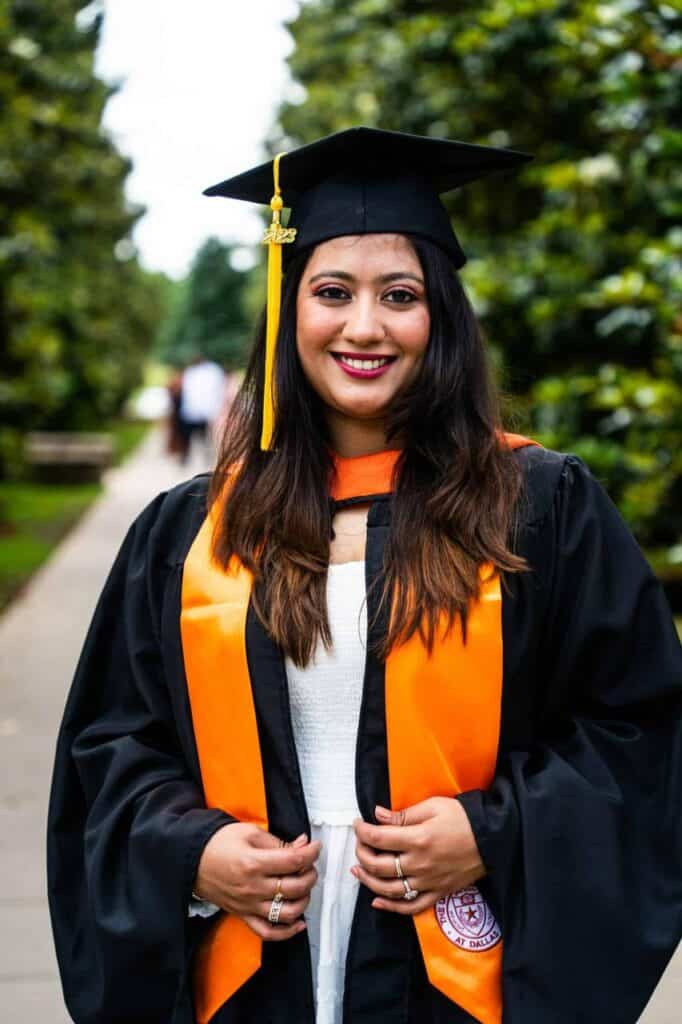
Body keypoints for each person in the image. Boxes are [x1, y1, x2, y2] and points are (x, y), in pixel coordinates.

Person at [47, 127, 682, 1024]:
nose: (364, 326)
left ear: (442, 318)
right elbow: (110, 746)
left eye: (401, 295)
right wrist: (191, 852)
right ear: (289, 309)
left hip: (455, 967)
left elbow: (638, 729)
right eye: (332, 292)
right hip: (256, 965)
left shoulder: (538, 506)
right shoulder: (191, 531)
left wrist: (494, 831)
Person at [178, 352, 227, 463]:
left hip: (205, 410)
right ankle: (188, 455)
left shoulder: (212, 371)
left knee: (205, 436)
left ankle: (205, 455)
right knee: (191, 435)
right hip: (195, 409)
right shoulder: (193, 372)